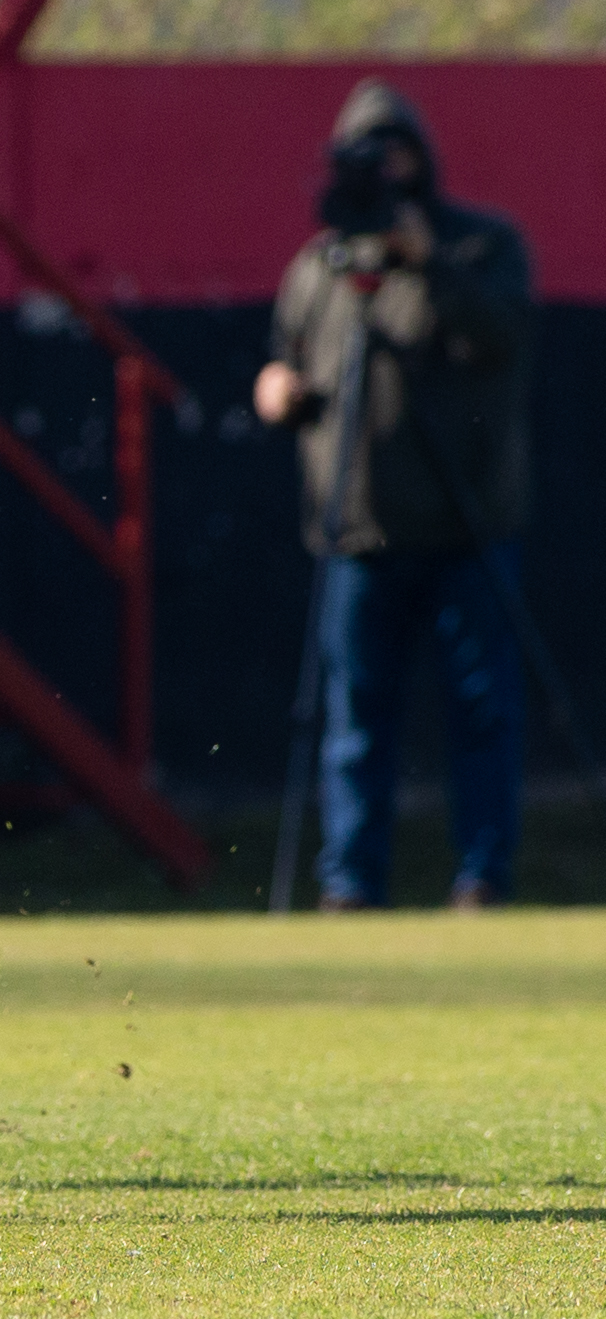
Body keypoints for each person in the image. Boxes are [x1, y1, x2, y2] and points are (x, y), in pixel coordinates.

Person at [254, 79, 533, 910]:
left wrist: (427, 263)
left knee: (483, 712)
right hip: (359, 532)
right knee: (355, 721)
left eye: (396, 152)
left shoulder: (479, 246)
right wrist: (276, 390)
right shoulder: (321, 265)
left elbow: (503, 336)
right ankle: (349, 881)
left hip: (467, 528)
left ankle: (484, 875)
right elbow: (283, 354)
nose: (386, 174)